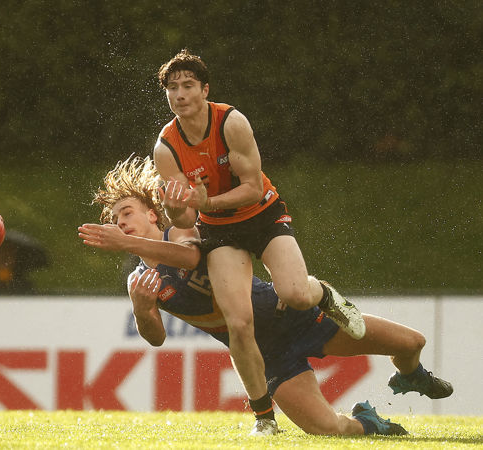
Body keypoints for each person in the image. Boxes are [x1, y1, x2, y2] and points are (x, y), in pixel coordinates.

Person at [78, 156, 453, 436]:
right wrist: (143, 310)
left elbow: (191, 256)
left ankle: (412, 375)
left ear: (152, 214)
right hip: (266, 354)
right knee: (328, 429)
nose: (120, 222)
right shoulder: (139, 281)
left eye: (126, 212)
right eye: (115, 220)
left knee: (412, 343)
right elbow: (156, 338)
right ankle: (369, 422)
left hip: (292, 315)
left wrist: (129, 244)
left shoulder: (177, 233)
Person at [151, 49, 365, 433]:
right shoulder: (165, 147)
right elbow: (184, 219)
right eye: (172, 88)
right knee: (239, 323)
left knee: (296, 294)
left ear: (205, 89)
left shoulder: (231, 123)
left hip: (261, 216)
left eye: (188, 86)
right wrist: (174, 208)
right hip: (218, 231)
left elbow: (251, 188)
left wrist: (207, 203)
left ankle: (324, 294)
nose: (180, 95)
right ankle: (264, 418)